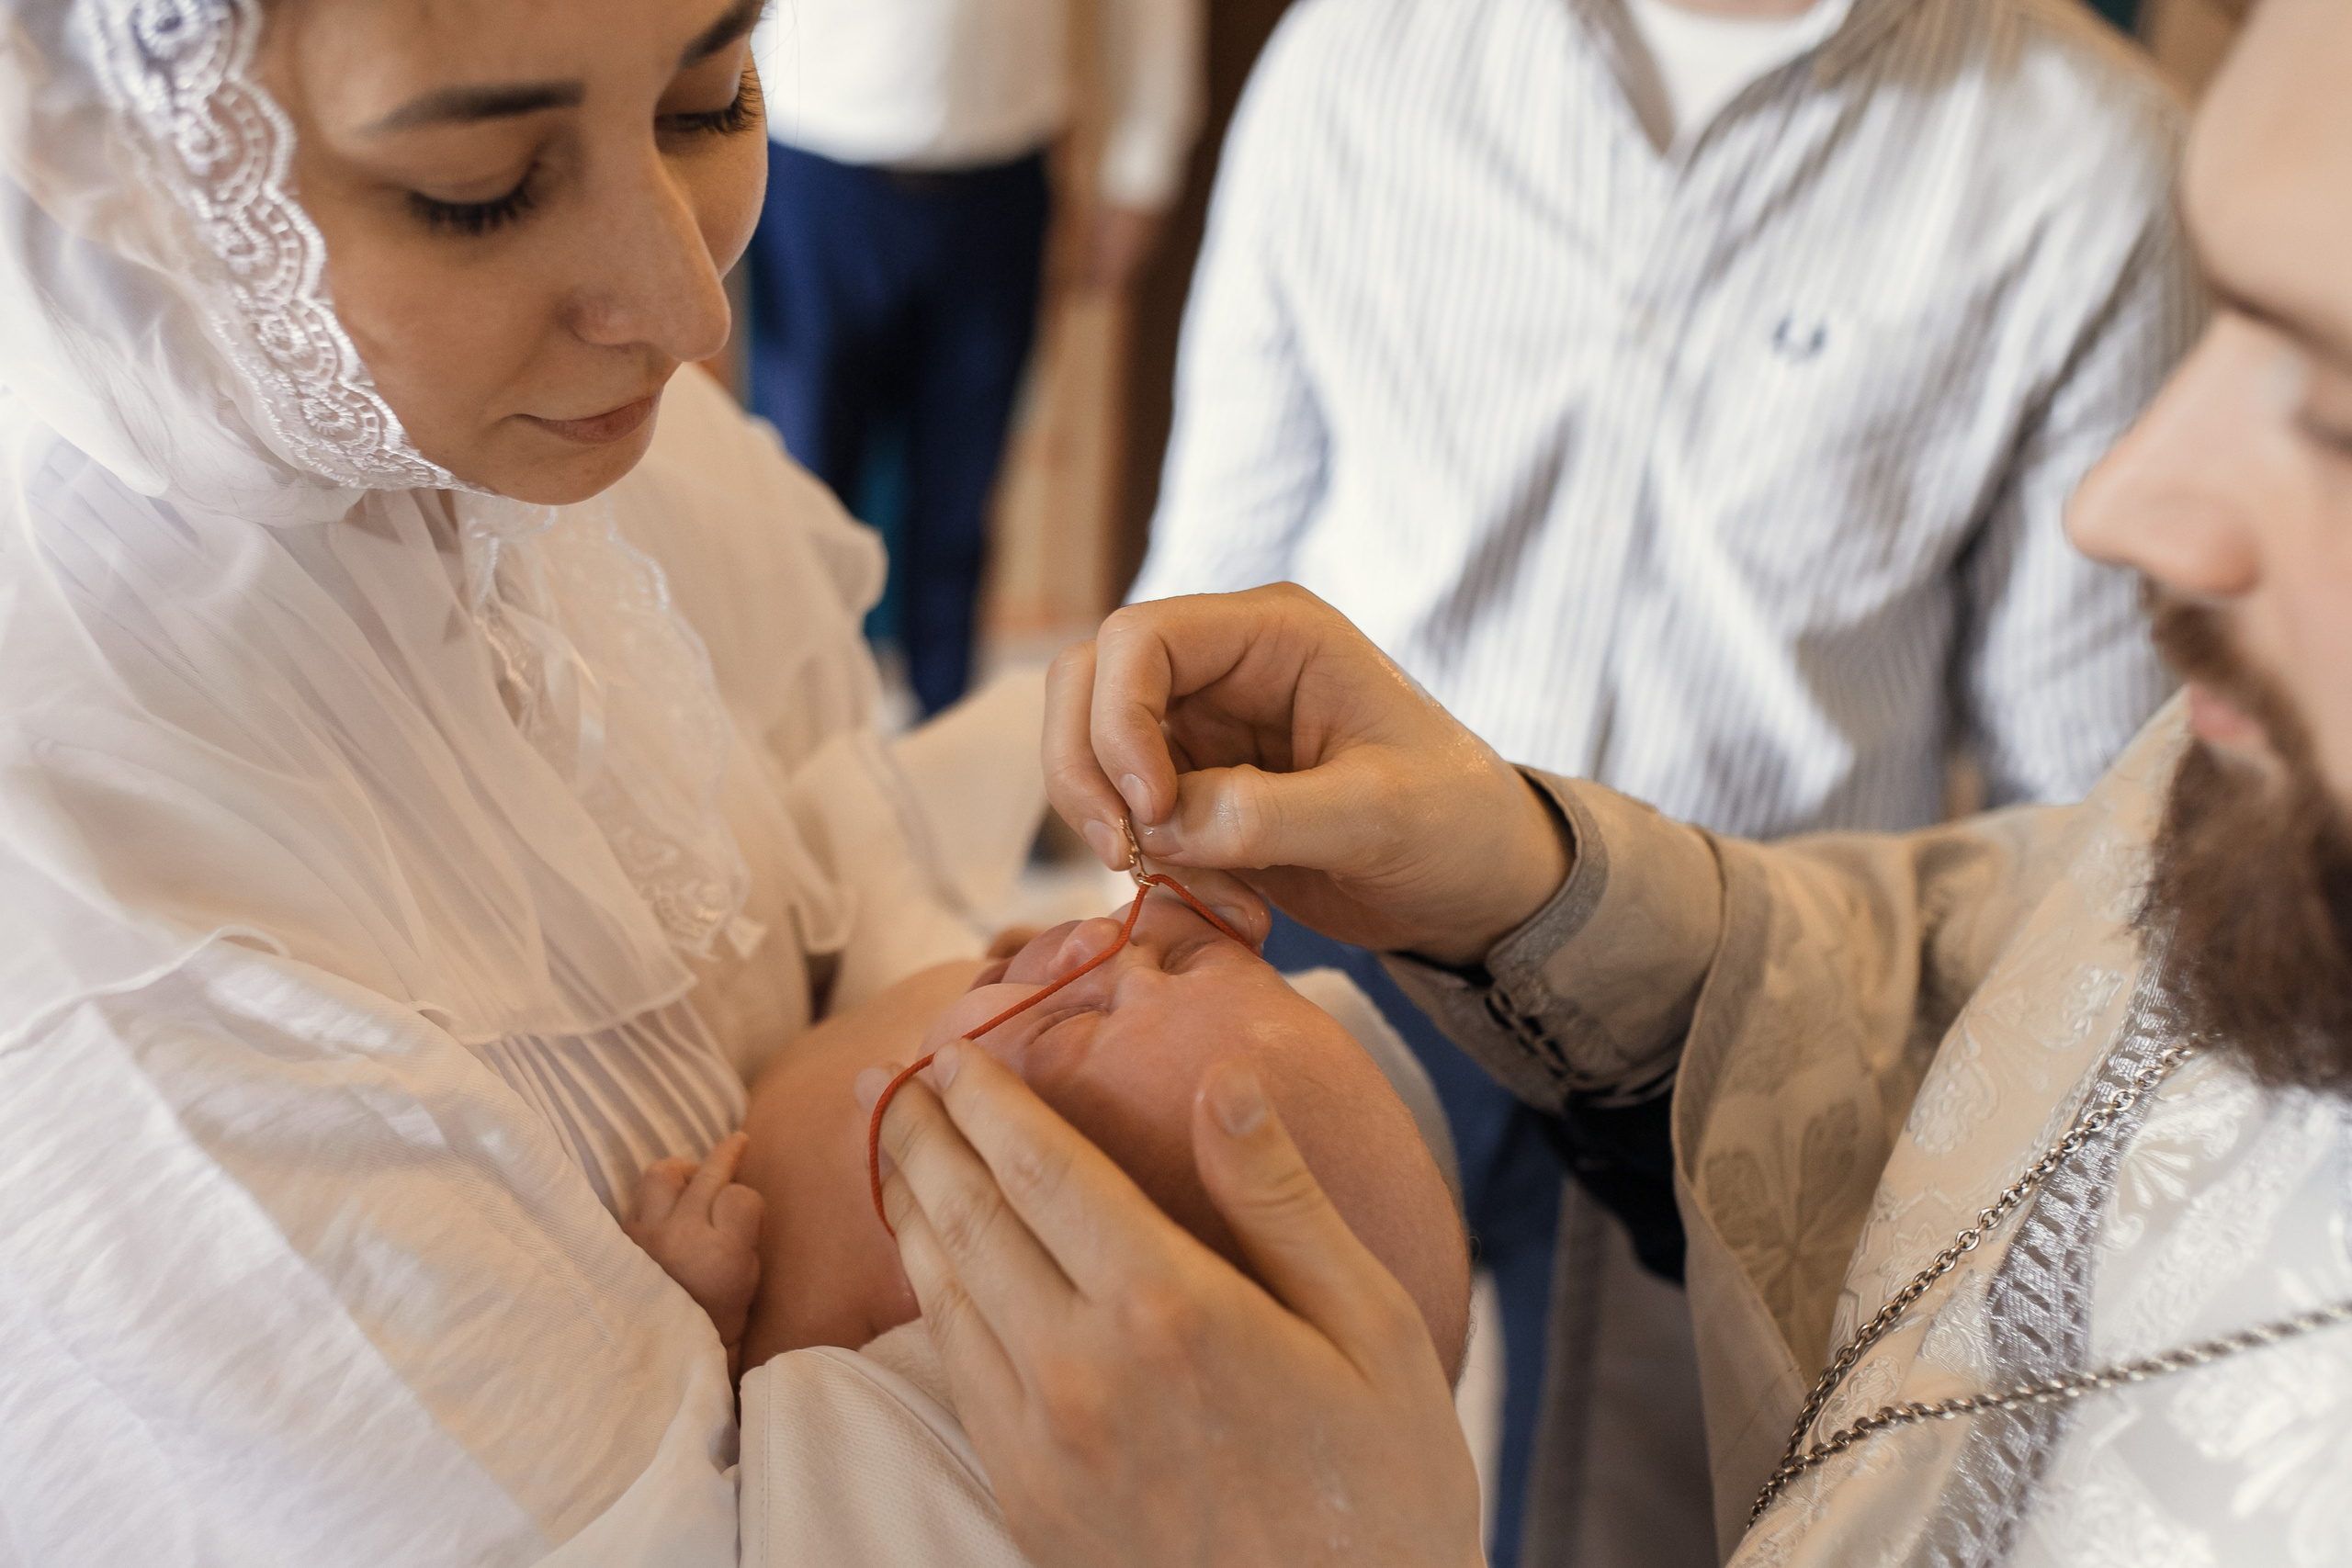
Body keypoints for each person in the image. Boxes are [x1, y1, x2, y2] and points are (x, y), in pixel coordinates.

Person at [867, 1, 2352, 1561]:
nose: (2129, 504)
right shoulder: (1362, 56)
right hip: (1419, 929)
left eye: (2328, 405)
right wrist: (1533, 885)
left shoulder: (2080, 153)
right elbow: (2057, 955)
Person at [0, 0, 1027, 1560]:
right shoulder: (97, 903)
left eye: (712, 97)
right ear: (101, 144)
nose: (691, 314)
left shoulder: (596, 458)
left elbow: (837, 825)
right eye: (479, 188)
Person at [626, 888, 1467, 1478]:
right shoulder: (1010, 992)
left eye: (1073, 1020)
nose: (1088, 943)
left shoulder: (895, 1364)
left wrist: (699, 1319)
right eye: (1181, 953)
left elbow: (728, 1490)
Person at [746, 0, 1204, 716]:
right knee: (798, 492)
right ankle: (790, 758)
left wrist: (1146, 157)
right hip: (812, 164)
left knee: (960, 503)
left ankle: (943, 743)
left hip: (999, 179)